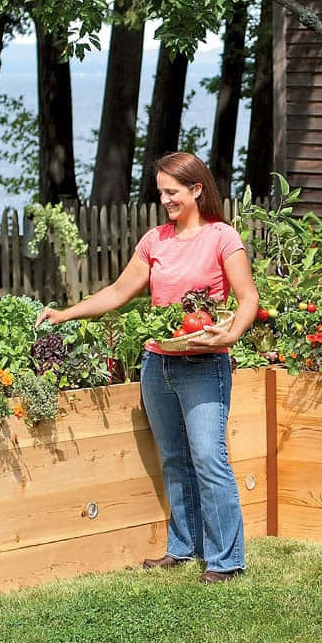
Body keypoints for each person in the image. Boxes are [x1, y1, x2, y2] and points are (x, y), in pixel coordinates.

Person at [35, 152, 258, 583]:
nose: (165, 201)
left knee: (209, 458)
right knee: (174, 459)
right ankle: (184, 547)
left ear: (196, 190)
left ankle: (226, 560)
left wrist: (230, 336)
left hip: (202, 363)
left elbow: (248, 297)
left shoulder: (222, 237)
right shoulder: (155, 240)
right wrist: (65, 314)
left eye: (172, 192)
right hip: (159, 364)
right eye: (160, 193)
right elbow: (119, 292)